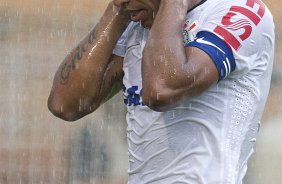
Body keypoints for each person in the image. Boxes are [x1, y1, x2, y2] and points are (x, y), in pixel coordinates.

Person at [48, 0, 275, 183]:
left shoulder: (240, 11)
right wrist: (116, 11)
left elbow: (161, 90)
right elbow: (65, 104)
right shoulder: (139, 20)